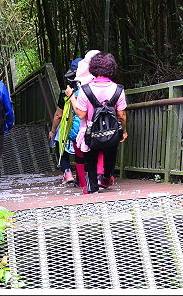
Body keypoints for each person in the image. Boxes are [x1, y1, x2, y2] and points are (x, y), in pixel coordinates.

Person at [72, 52, 128, 194]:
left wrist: (72, 98)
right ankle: (107, 177)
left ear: (93, 68)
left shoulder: (85, 90)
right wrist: (124, 131)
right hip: (112, 132)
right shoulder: (118, 89)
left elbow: (81, 114)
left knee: (90, 160)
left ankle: (92, 187)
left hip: (90, 132)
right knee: (110, 156)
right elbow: (121, 114)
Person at [48, 58, 83, 186]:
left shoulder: (65, 92)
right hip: (87, 126)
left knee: (58, 140)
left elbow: (58, 115)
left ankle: (67, 172)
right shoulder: (91, 89)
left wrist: (52, 131)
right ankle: (82, 177)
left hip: (69, 126)